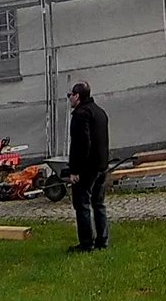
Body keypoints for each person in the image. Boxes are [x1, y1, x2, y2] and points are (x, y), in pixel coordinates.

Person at [67, 81, 110, 252]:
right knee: (99, 204)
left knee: (82, 204)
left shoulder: (80, 114)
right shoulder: (100, 112)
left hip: (87, 168)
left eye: (70, 95)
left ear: (77, 96)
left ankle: (86, 243)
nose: (69, 98)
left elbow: (81, 144)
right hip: (101, 165)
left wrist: (75, 170)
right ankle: (102, 240)